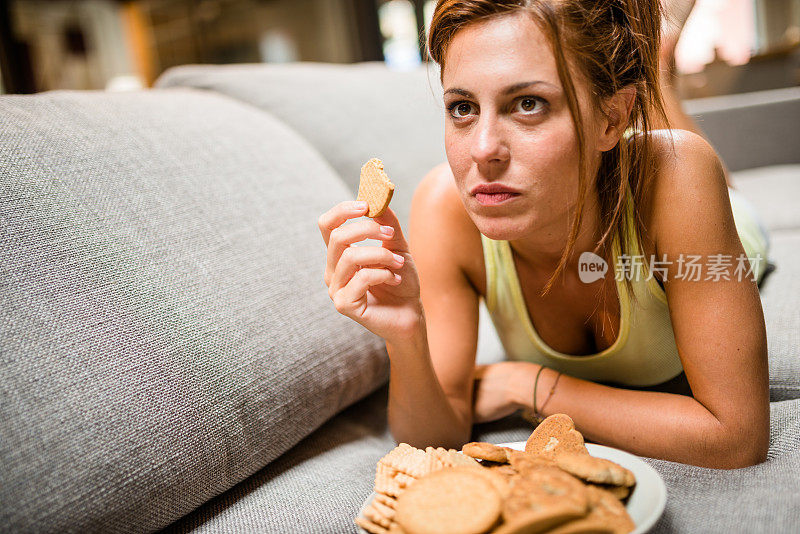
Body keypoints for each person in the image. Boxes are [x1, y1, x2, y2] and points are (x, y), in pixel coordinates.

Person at [318, 0, 770, 469]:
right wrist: (407, 337)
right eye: (463, 107)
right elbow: (436, 436)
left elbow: (737, 437)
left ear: (612, 118)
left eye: (528, 104)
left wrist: (531, 386)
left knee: (676, 151)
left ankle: (656, 70)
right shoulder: (443, 207)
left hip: (722, 222)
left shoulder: (681, 177)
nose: (483, 150)